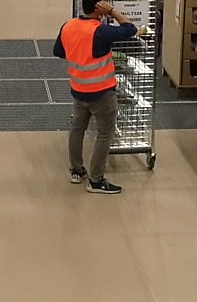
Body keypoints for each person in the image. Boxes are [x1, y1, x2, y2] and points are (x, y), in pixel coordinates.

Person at [53, 0, 139, 195]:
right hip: (102, 93)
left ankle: (76, 170)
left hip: (78, 89)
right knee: (105, 134)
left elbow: (58, 51)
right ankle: (96, 179)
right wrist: (113, 11)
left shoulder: (68, 26)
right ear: (99, 9)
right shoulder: (100, 32)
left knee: (77, 129)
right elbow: (130, 28)